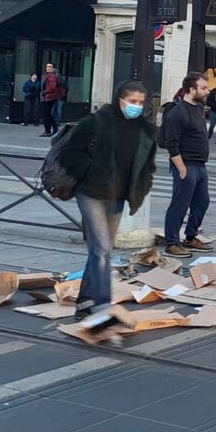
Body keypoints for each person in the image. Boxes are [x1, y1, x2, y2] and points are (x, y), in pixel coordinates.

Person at [57, 81, 157, 317]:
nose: (137, 107)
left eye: (141, 103)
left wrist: (140, 187)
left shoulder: (144, 131)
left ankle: (85, 301)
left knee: (100, 250)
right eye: (132, 102)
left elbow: (146, 165)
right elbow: (68, 153)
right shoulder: (95, 122)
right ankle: (99, 306)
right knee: (101, 248)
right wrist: (89, 172)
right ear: (119, 100)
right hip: (91, 192)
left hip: (118, 196)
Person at [161, 73, 213, 257]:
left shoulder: (198, 108)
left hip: (200, 165)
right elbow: (171, 142)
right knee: (180, 204)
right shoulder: (177, 112)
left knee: (202, 202)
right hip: (186, 165)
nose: (208, 91)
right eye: (204, 88)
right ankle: (172, 242)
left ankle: (190, 237)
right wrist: (181, 167)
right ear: (192, 90)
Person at [40, 62, 65, 136]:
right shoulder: (52, 75)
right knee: (48, 114)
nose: (48, 68)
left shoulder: (52, 76)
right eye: (47, 66)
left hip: (49, 97)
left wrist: (45, 92)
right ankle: (55, 128)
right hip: (52, 97)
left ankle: (48, 131)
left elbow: (52, 87)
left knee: (46, 114)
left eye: (50, 67)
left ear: (53, 68)